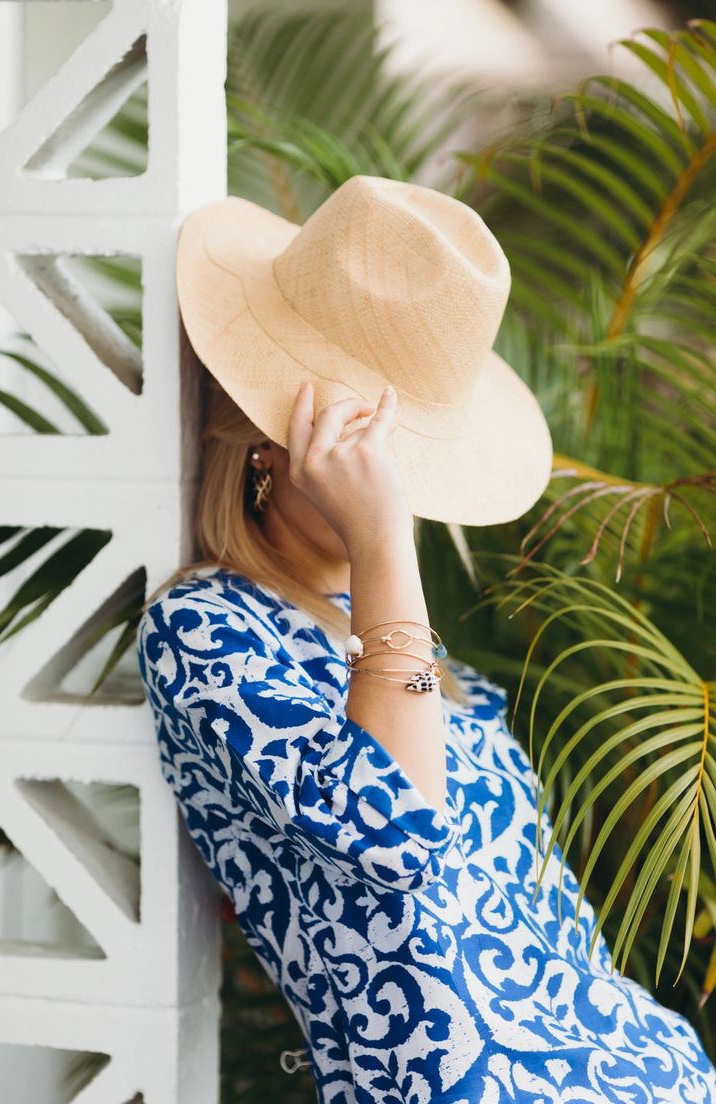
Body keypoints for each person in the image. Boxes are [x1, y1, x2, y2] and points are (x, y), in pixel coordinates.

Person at [136, 176, 716, 1104]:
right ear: (268, 442)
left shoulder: (447, 675)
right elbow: (389, 832)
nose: (401, 483)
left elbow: (555, 937)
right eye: (373, 441)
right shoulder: (206, 629)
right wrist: (379, 543)